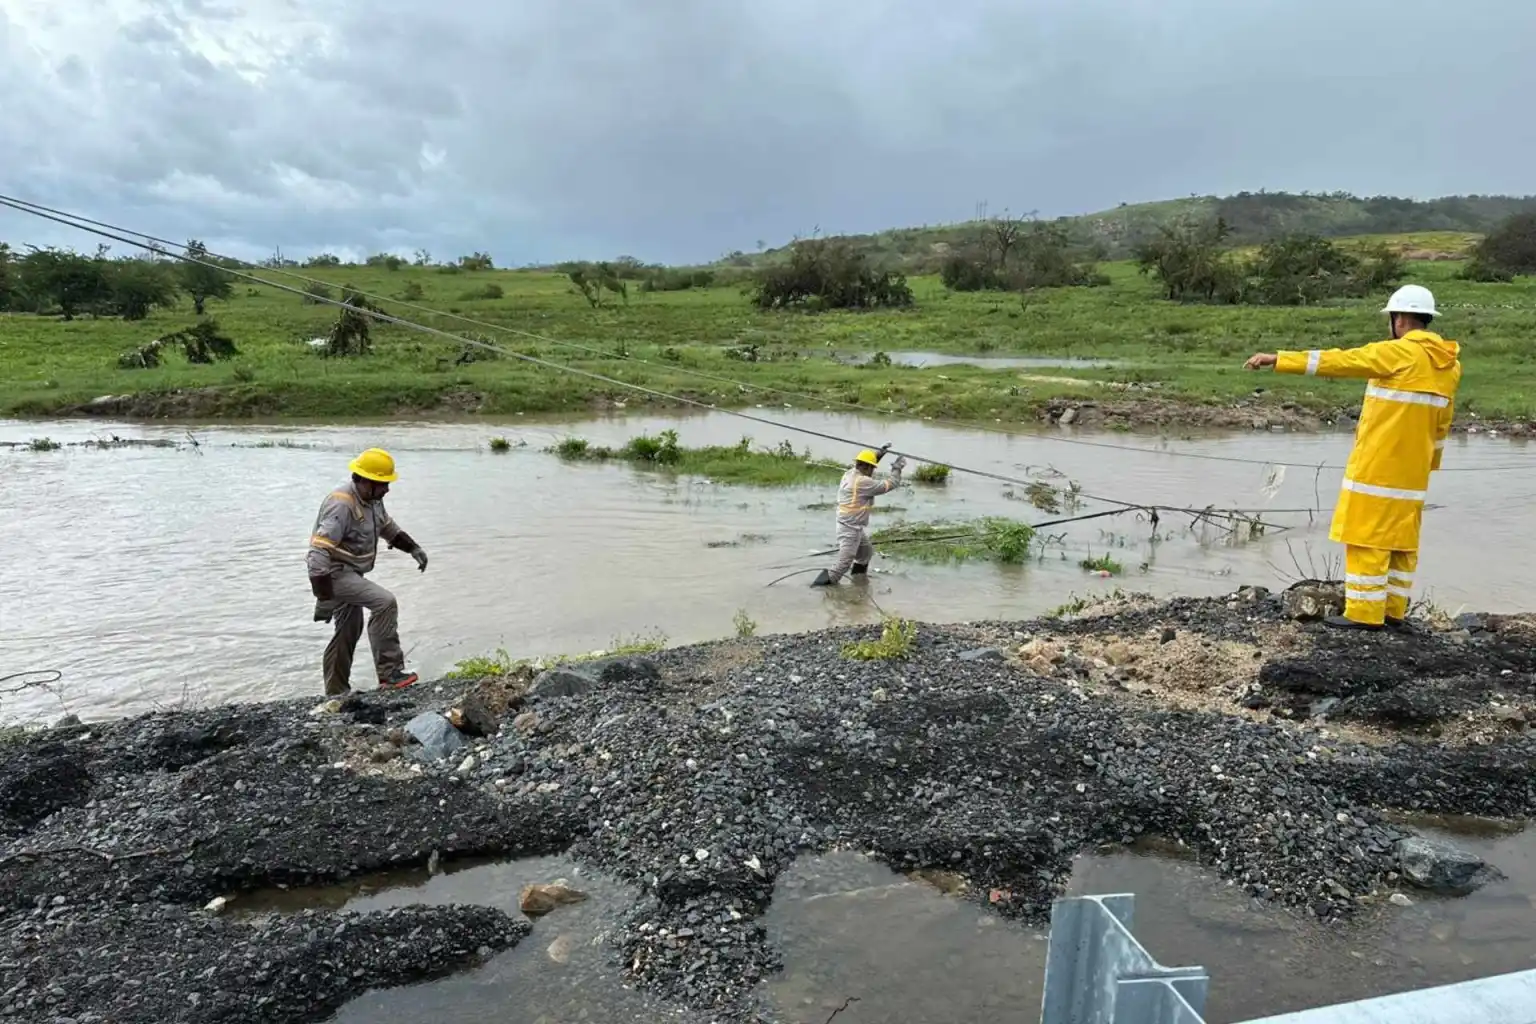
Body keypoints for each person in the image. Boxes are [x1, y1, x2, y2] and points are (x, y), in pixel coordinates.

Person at [1244, 284, 1460, 631]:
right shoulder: (1449, 365)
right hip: (1413, 474)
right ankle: (1393, 612)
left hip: (1378, 467)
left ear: (1400, 319)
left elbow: (1341, 360)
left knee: (1366, 536)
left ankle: (1363, 614)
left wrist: (1279, 359)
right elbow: (1442, 423)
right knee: (1401, 543)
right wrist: (1429, 464)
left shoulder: (1398, 353)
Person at [306, 448, 429, 693]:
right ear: (365, 481)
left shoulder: (372, 499)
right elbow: (317, 553)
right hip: (333, 573)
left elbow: (387, 527)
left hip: (351, 573)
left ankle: (335, 690)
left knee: (348, 630)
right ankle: (390, 673)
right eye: (383, 483)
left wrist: (413, 548)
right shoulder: (341, 505)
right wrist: (324, 597)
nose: (387, 489)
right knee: (385, 603)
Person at [811, 446, 907, 586]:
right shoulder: (862, 482)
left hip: (851, 526)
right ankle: (819, 588)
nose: (873, 471)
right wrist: (897, 468)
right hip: (850, 528)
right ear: (867, 468)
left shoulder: (850, 473)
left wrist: (879, 454)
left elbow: (866, 465)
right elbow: (891, 483)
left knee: (865, 553)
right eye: (872, 468)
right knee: (843, 564)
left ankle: (859, 582)